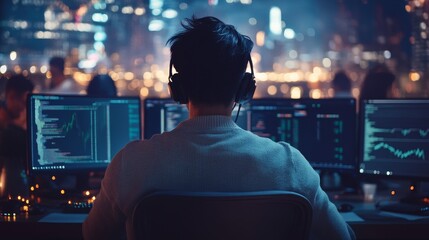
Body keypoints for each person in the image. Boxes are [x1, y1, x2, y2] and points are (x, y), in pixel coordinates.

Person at [83, 16, 355, 240]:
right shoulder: (289, 165)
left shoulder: (131, 164)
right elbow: (342, 237)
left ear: (177, 88)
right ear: (244, 88)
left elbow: (92, 236)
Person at [0, 74, 34, 198]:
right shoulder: (7, 127)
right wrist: (21, 125)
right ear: (12, 96)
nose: (25, 107)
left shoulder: (13, 120)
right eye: (25, 101)